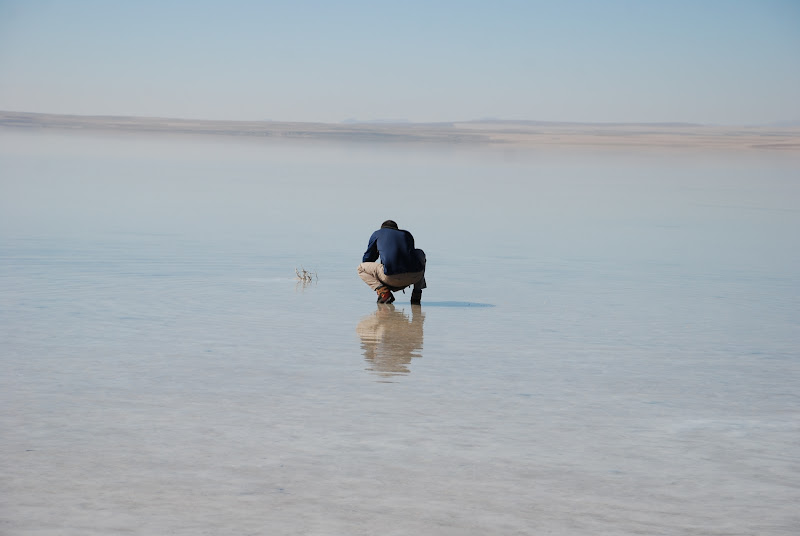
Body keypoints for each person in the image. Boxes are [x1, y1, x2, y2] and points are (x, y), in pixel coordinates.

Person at [357, 220, 426, 304]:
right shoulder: (407, 234)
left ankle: (384, 292)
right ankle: (417, 293)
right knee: (419, 254)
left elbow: (367, 259)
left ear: (382, 228)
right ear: (396, 229)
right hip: (415, 277)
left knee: (361, 268)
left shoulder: (377, 234)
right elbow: (410, 258)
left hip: (391, 278)